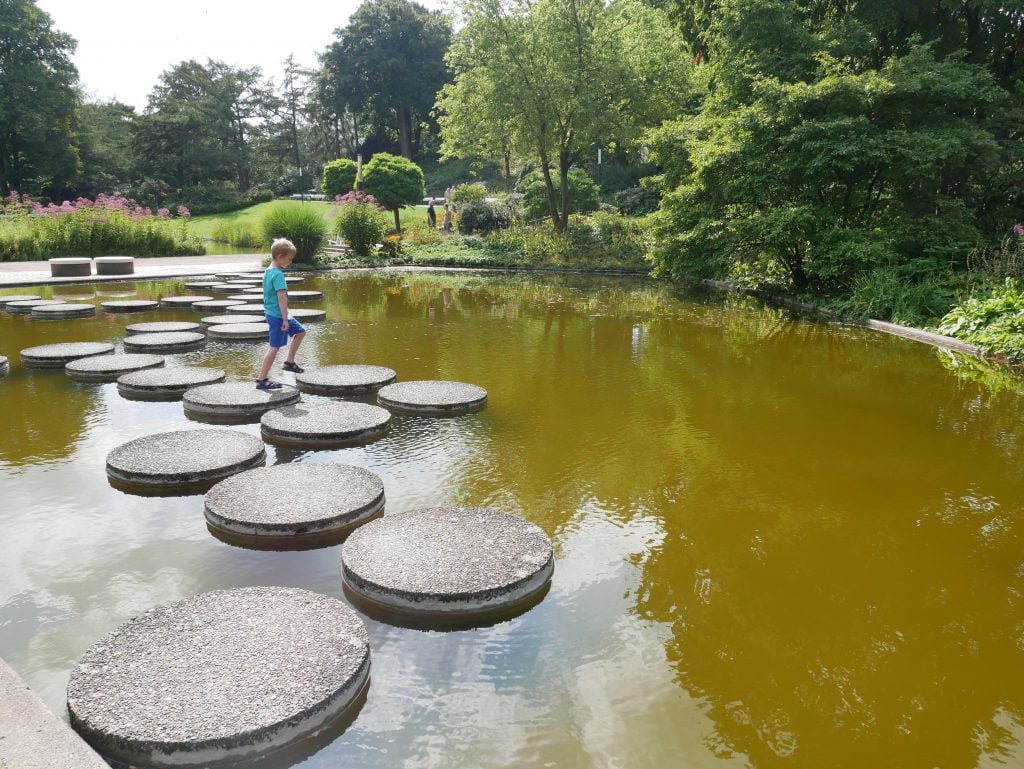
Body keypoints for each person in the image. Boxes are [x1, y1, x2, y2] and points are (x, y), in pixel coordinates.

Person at [256, 238, 305, 390]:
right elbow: (281, 297)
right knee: (274, 347)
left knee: (300, 332)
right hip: (278, 316)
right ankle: (262, 380)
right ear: (279, 257)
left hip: (279, 314)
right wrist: (284, 319)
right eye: (289, 259)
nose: (290, 262)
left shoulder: (268, 271)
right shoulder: (277, 275)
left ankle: (289, 362)